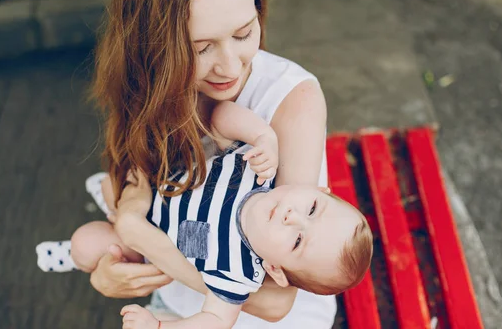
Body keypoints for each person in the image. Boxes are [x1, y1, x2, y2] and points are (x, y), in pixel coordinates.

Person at [85, 0, 341, 326]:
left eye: (243, 33)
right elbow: (136, 184)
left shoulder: (293, 100)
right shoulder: (149, 86)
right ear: (153, 44)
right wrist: (107, 272)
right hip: (173, 304)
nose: (230, 66)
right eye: (200, 48)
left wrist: (141, 235)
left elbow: (276, 304)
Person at [67, 101, 373, 329]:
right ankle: (107, 209)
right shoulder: (260, 170)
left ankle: (70, 256)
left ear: (276, 270)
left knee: (85, 245)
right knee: (112, 182)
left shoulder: (239, 273)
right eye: (312, 209)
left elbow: (214, 321)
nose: (292, 217)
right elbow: (220, 116)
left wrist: (159, 327)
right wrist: (264, 136)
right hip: (153, 185)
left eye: (296, 241)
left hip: (145, 247)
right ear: (320, 190)